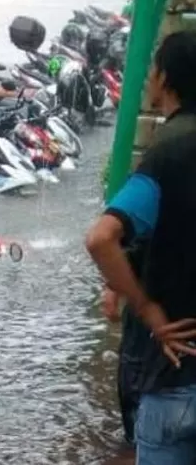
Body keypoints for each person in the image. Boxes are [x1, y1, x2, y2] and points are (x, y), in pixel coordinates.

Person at [85, 30, 196, 464]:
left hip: (174, 374)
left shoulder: (168, 154)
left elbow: (101, 238)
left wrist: (146, 307)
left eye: (152, 68)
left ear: (165, 78)